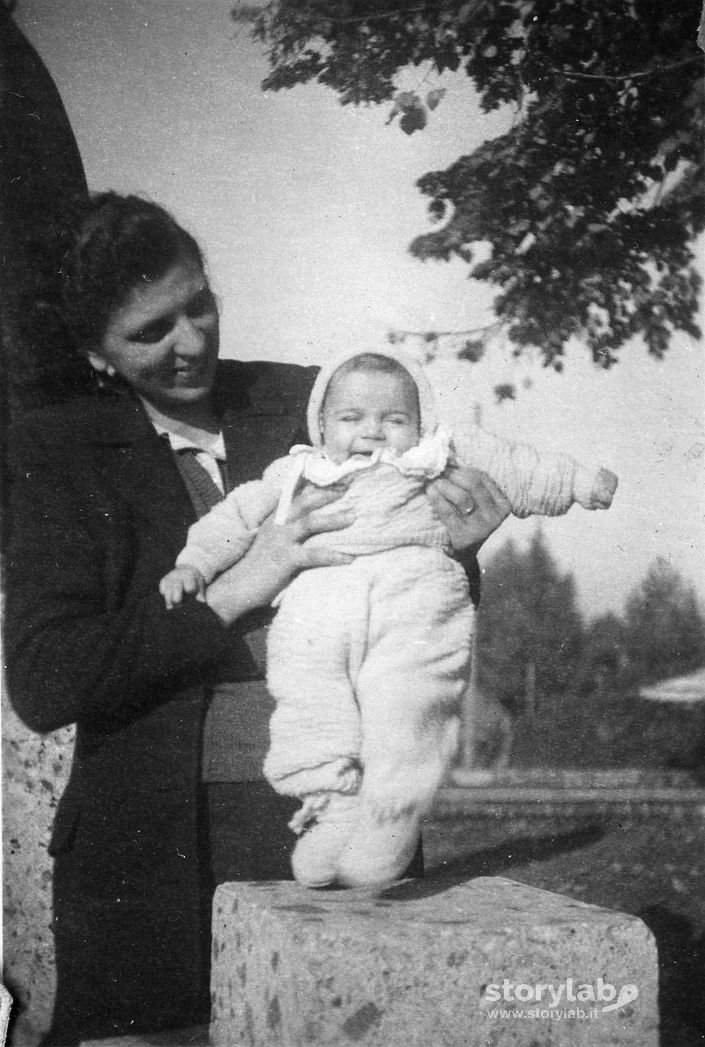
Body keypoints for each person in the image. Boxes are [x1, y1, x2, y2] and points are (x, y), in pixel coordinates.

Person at [3, 192, 510, 1045]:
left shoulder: (307, 402)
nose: (192, 340)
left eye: (198, 303)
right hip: (148, 847)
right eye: (152, 329)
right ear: (96, 354)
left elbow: (404, 571)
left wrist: (458, 550)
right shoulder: (51, 450)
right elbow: (49, 679)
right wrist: (240, 584)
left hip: (333, 808)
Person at [160, 347, 618, 890]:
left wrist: (582, 483)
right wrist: (192, 564)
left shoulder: (437, 455)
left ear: (418, 423)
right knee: (307, 692)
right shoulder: (297, 470)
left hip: (414, 593)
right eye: (351, 419)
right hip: (319, 601)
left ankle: (392, 813)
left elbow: (519, 468)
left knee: (407, 698)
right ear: (322, 425)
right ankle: (331, 805)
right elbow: (234, 517)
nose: (372, 432)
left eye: (393, 419)